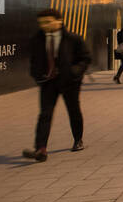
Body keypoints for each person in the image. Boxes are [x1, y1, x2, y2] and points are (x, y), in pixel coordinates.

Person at [23, 8, 91, 161]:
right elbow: (33, 60)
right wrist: (37, 75)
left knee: (73, 111)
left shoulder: (73, 39)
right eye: (41, 23)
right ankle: (40, 149)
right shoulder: (36, 40)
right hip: (48, 82)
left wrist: (75, 72)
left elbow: (85, 58)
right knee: (45, 114)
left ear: (59, 21)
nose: (44, 26)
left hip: (69, 82)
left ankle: (78, 140)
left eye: (48, 22)